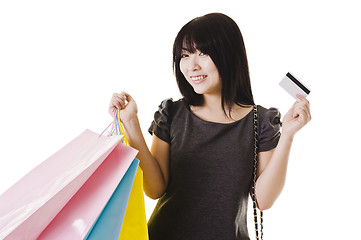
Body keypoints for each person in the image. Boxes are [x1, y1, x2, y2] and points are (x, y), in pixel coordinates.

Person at [109, 13, 311, 240]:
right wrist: (131, 123)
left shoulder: (261, 121)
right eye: (185, 55)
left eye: (203, 52)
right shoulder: (172, 114)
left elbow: (263, 200)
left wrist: (288, 136)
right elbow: (154, 189)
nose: (192, 65)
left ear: (229, 55)